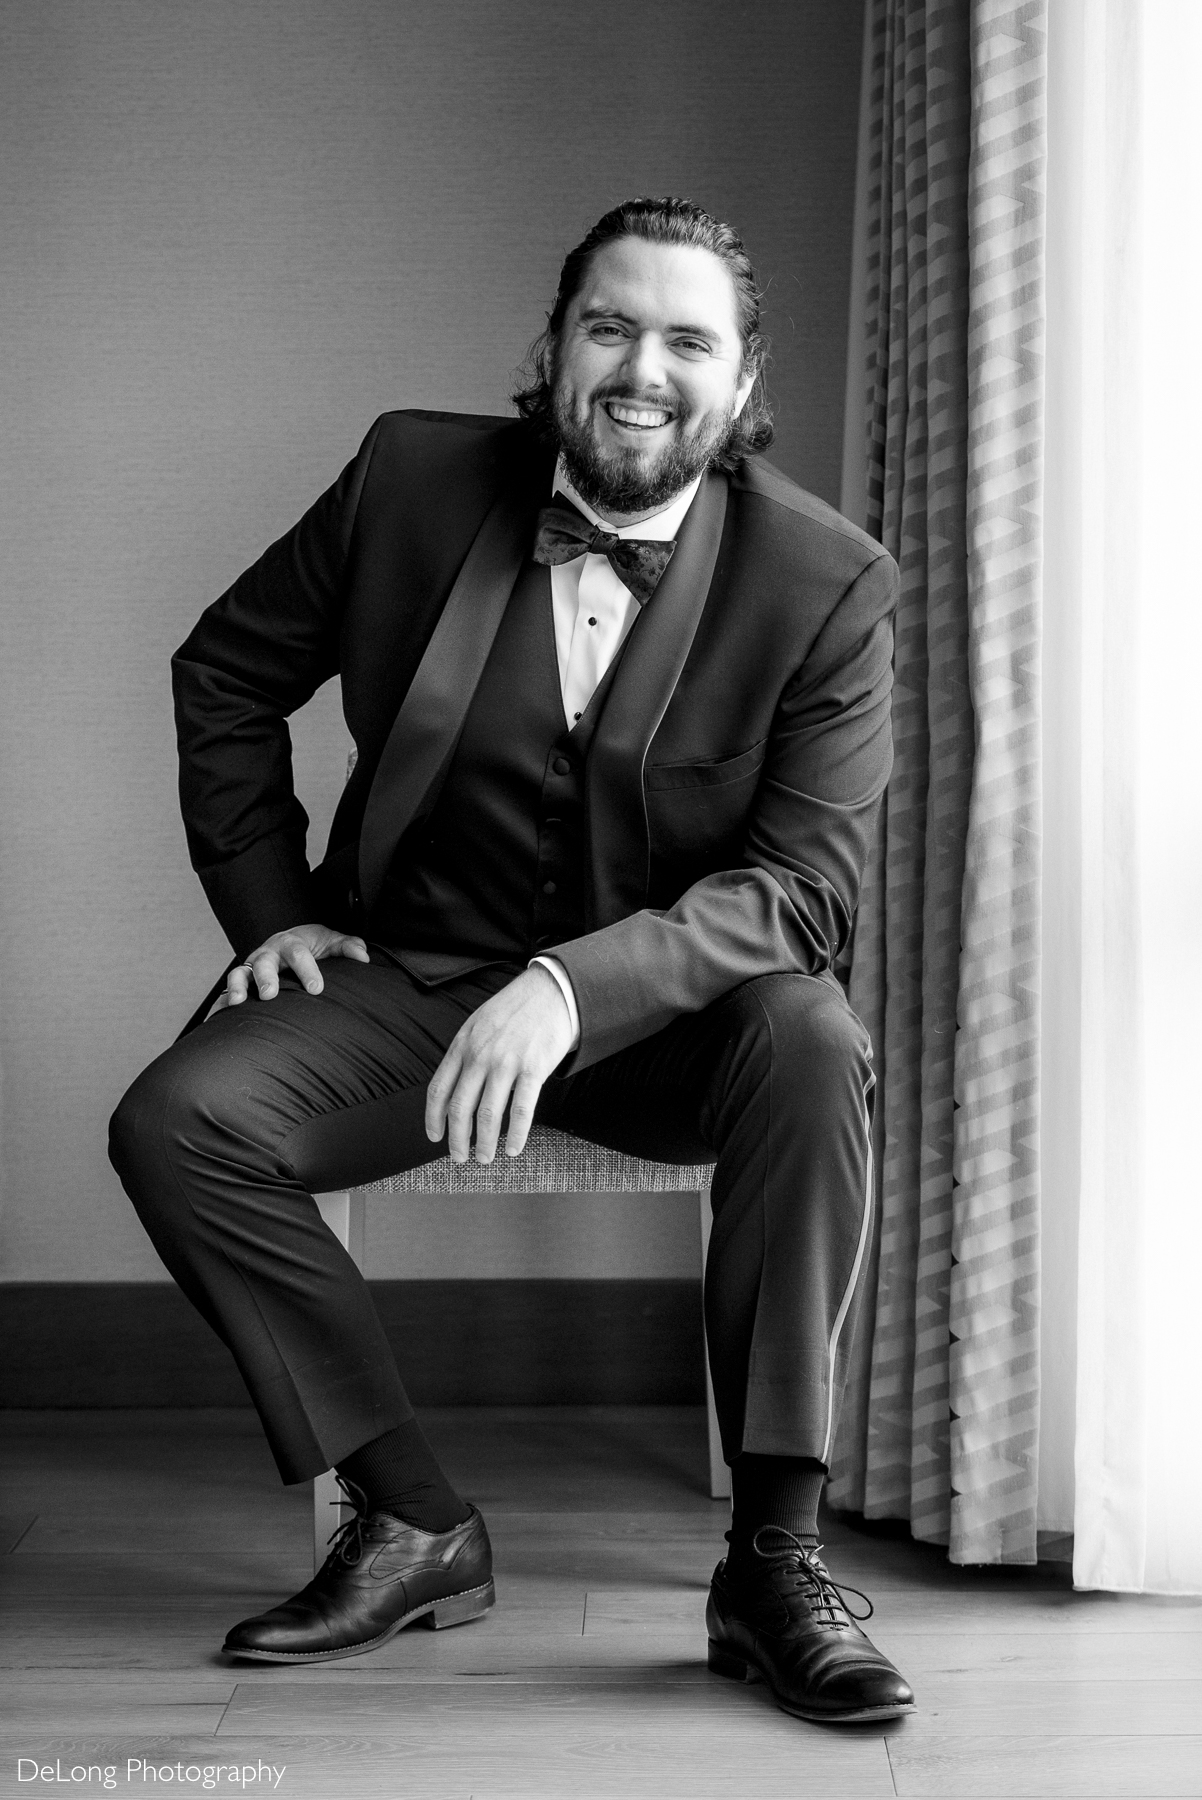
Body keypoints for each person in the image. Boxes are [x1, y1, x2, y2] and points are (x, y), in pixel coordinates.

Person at [109, 196, 913, 1724]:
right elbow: (222, 671)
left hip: (670, 1024)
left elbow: (803, 891)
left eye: (688, 340)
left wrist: (569, 989)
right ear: (550, 352)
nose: (641, 368)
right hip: (411, 972)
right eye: (609, 327)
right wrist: (271, 909)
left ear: (742, 388)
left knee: (811, 1037)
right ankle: (411, 1515)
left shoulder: (827, 580)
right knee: (178, 1121)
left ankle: (771, 1559)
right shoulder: (412, 474)